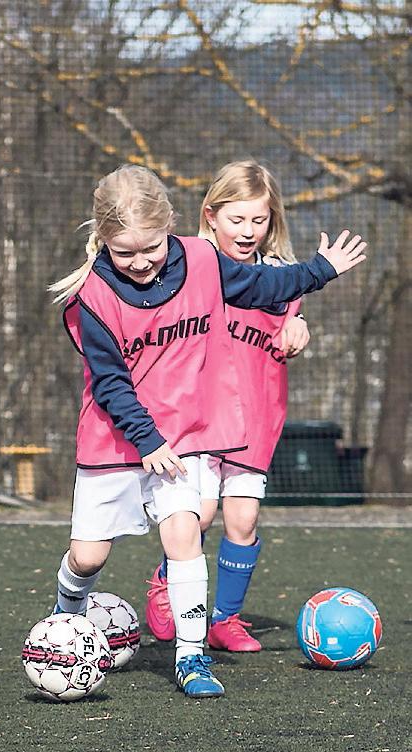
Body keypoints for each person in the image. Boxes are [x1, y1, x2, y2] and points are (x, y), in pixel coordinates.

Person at [50, 164, 365, 698]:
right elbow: (109, 383)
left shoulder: (201, 260)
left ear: (169, 228)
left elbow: (267, 283)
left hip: (184, 435)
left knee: (184, 533)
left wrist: (320, 269)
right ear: (102, 240)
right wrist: (147, 441)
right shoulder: (94, 294)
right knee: (89, 557)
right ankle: (64, 620)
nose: (140, 262)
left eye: (149, 248)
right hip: (118, 435)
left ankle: (191, 657)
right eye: (123, 252)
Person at [144, 160, 310, 652]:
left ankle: (225, 619)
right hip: (203, 417)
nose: (248, 231)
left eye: (258, 221)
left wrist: (299, 329)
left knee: (243, 520)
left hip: (257, 417)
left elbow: (288, 327)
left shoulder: (283, 278)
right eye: (237, 220)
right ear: (211, 216)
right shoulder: (194, 268)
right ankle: (165, 581)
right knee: (200, 514)